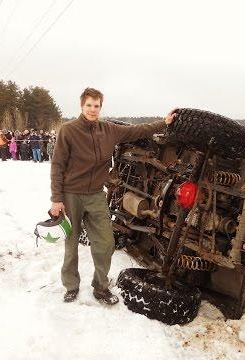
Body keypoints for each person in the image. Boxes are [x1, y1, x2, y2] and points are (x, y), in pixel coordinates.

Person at [50, 87, 177, 304]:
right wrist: (56, 198)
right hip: (71, 194)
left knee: (106, 242)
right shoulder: (68, 130)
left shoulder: (109, 129)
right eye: (89, 105)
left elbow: (140, 130)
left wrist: (163, 122)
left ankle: (100, 286)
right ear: (82, 106)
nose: (92, 109)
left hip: (96, 195)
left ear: (101, 107)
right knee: (71, 244)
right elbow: (58, 165)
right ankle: (71, 285)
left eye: (96, 105)